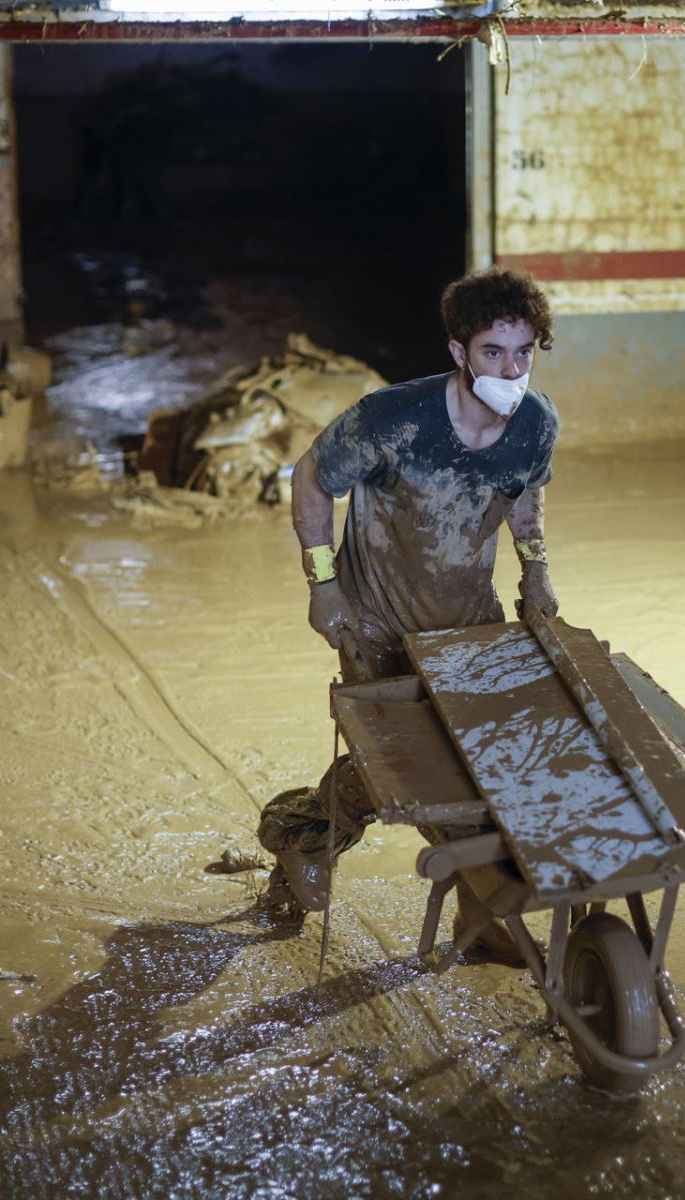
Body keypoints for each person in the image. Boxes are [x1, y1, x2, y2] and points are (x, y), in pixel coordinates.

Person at [257, 268, 560, 936]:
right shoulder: (389, 421)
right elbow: (310, 479)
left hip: (471, 622)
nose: (510, 369)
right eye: (492, 352)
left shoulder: (536, 424)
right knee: (398, 764)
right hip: (379, 625)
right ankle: (302, 837)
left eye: (523, 352)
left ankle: (480, 926)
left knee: (487, 764)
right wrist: (323, 584)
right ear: (459, 352)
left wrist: (535, 572)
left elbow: (525, 495)